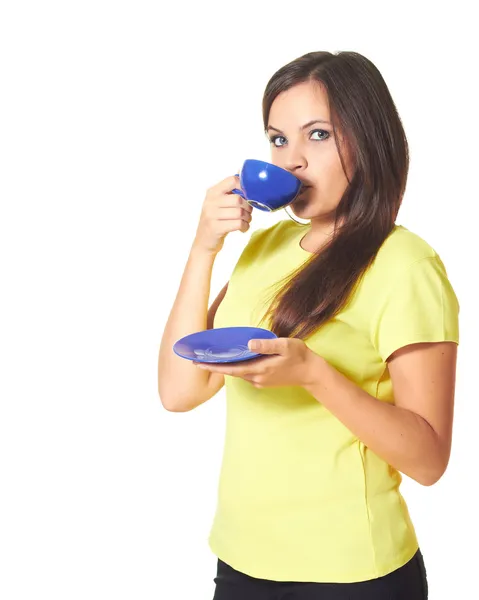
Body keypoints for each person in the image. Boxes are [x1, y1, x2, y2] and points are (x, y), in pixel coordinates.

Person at [157, 51, 459, 599]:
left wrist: (316, 375)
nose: (291, 160)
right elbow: (179, 391)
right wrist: (204, 247)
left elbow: (429, 459)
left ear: (368, 139)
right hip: (242, 559)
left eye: (317, 135)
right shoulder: (266, 248)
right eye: (278, 140)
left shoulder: (406, 265)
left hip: (352, 573)